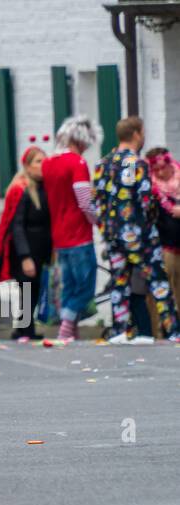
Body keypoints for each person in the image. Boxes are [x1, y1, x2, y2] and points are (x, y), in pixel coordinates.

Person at [94, 117, 177, 344]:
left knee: (119, 280)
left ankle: (120, 329)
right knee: (158, 281)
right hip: (137, 233)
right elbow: (137, 196)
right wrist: (149, 223)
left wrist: (106, 228)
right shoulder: (132, 163)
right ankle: (172, 331)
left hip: (112, 233)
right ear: (137, 134)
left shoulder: (102, 164)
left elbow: (97, 202)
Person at [42, 115, 102, 342]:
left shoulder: (48, 163)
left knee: (68, 285)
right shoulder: (77, 163)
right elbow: (85, 201)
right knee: (85, 287)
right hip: (79, 235)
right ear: (82, 140)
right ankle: (67, 326)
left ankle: (71, 330)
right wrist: (98, 221)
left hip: (59, 236)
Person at [0, 147, 51, 340]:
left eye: (44, 161)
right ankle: (25, 329)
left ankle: (22, 328)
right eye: (38, 161)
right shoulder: (21, 190)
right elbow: (16, 225)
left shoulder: (43, 187)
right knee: (27, 288)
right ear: (27, 166)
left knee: (34, 288)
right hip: (26, 249)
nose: (42, 165)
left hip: (40, 249)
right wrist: (25, 257)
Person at [146, 148, 180, 307]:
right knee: (169, 292)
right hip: (166, 248)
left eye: (162, 168)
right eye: (155, 170)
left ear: (170, 164)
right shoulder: (150, 189)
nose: (159, 173)